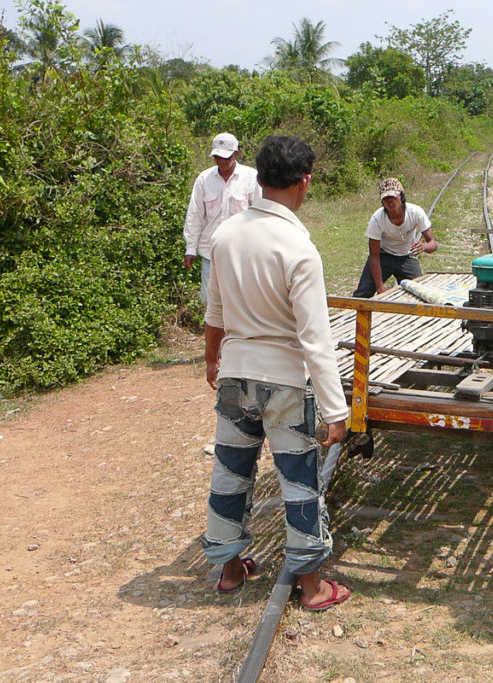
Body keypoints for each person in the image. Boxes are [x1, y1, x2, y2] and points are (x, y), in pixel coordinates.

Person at [200, 135, 351, 612]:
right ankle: (312, 587)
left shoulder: (225, 235)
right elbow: (315, 339)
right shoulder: (299, 248)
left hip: (235, 374)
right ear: (304, 182)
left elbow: (215, 313)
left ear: (259, 178)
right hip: (284, 381)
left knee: (230, 471)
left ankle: (228, 569)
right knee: (298, 480)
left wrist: (211, 361)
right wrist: (336, 410)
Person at [183, 132, 261, 305]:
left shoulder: (251, 178)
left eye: (225, 157)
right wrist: (190, 248)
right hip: (211, 253)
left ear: (236, 154)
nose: (221, 161)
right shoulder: (204, 179)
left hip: (242, 253)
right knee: (212, 304)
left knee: (242, 303)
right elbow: (195, 215)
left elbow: (259, 216)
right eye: (217, 157)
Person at [352, 177, 438, 297]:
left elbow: (433, 244)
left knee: (421, 293)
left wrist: (424, 246)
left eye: (393, 197)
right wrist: (380, 286)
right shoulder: (377, 219)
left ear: (401, 197)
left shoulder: (416, 212)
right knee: (362, 293)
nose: (390, 201)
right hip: (383, 256)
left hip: (407, 256)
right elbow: (374, 256)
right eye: (386, 198)